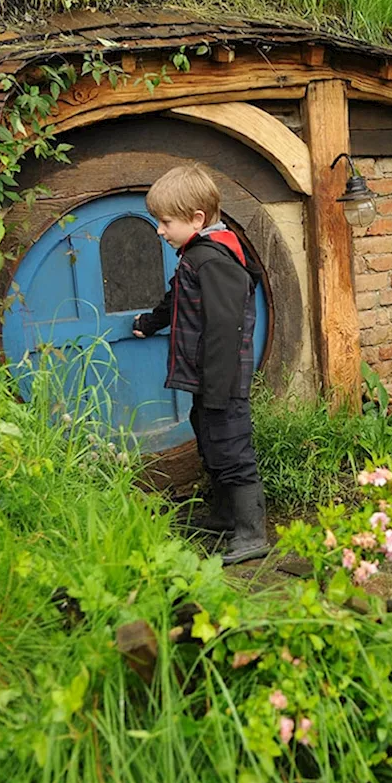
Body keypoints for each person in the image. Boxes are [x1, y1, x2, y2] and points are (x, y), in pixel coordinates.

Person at [132, 165, 269, 565]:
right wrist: (149, 323)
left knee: (232, 449)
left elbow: (226, 328)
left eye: (165, 222)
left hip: (221, 380)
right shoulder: (196, 255)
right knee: (211, 444)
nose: (159, 230)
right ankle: (227, 516)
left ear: (196, 219)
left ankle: (251, 533)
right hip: (206, 379)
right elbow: (179, 297)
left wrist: (218, 388)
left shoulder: (214, 259)